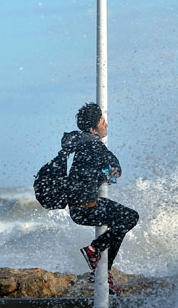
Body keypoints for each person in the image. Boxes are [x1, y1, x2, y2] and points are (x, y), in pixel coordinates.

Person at [62, 102, 139, 295]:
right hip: (86, 208)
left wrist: (109, 172)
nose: (106, 126)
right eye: (103, 122)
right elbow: (112, 167)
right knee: (130, 218)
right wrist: (114, 172)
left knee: (122, 220)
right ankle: (94, 251)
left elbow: (106, 168)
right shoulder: (93, 145)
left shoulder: (81, 143)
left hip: (83, 206)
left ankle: (101, 271)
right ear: (92, 128)